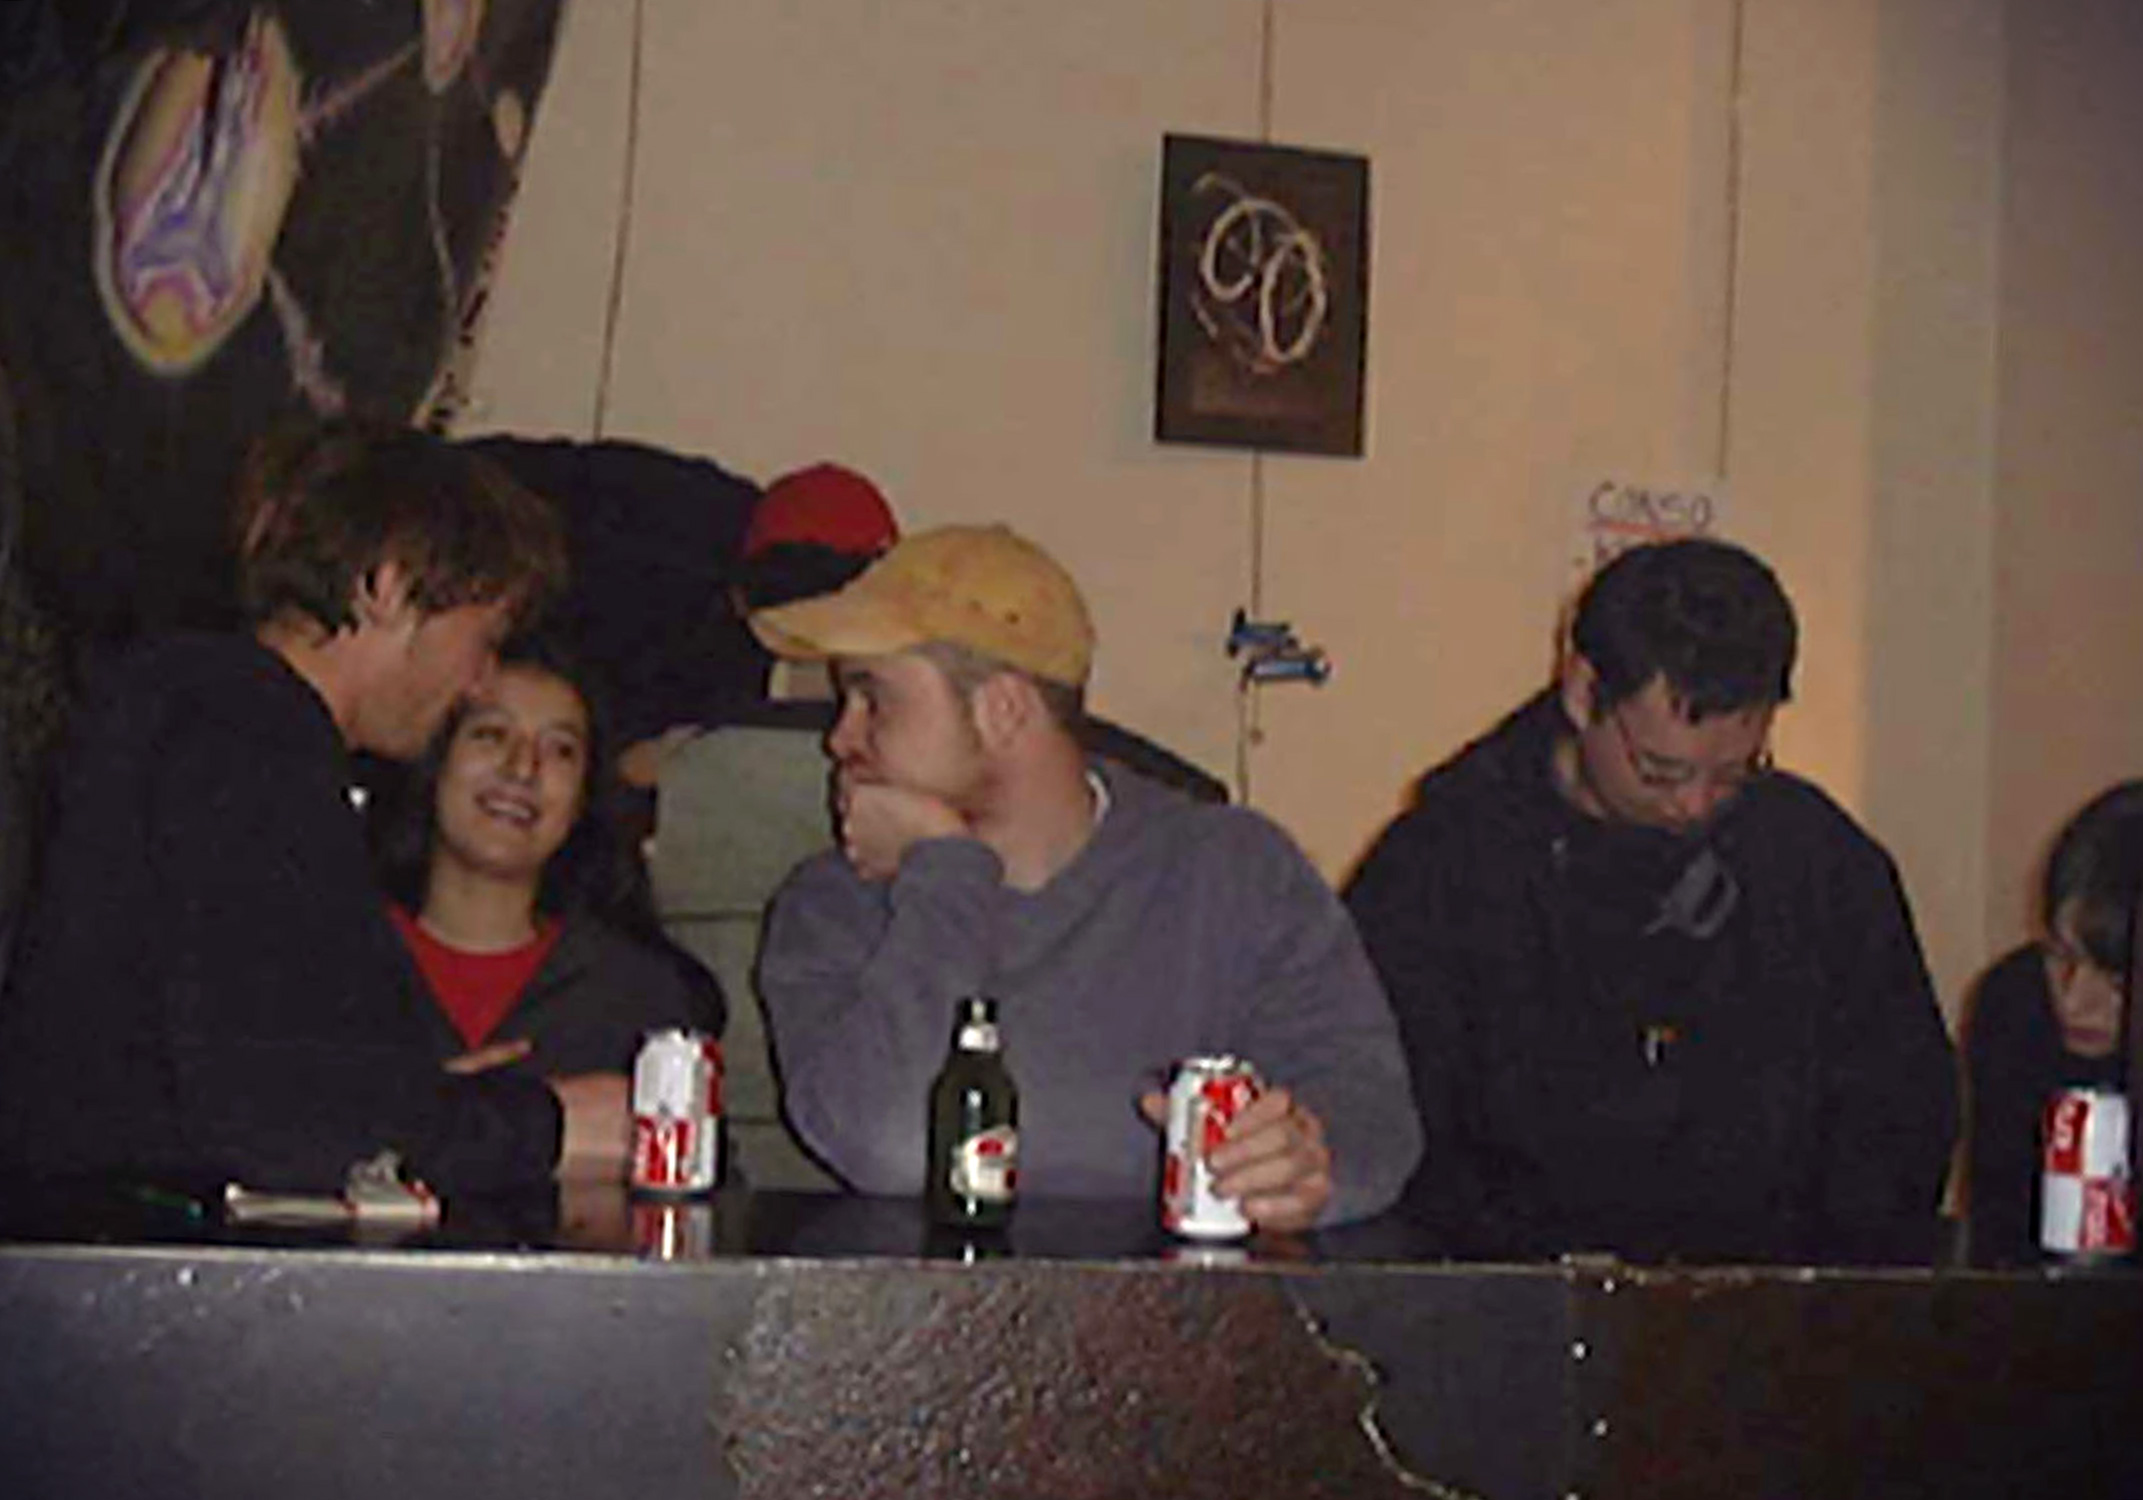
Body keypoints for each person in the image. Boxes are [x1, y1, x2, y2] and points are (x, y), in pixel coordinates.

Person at [0, 420, 629, 1195]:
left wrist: (410, 1094)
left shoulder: (195, 711)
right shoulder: (250, 741)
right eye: (483, 637)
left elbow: (231, 1063)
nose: (477, 680)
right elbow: (289, 1116)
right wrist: (549, 1126)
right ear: (388, 587)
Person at [748, 523, 1420, 1230]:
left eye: (874, 700)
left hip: (1195, 1300)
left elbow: (1374, 1118)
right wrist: (946, 870)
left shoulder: (1236, 869)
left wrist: (1308, 1162)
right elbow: (894, 1144)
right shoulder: (831, 906)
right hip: (921, 1301)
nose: (839, 739)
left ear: (1003, 711)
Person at [1346, 537, 1956, 1263]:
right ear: (1582, 691)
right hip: (1511, 1305)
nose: (1693, 806)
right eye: (1659, 771)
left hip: (1774, 1310)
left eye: (1734, 773)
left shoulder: (1819, 866)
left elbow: (1898, 1120)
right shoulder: (1440, 870)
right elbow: (1386, 1136)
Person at [369, 635, 723, 1075]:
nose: (522, 768)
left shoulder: (641, 998)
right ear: (434, 761)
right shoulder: (333, 959)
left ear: (584, 797)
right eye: (491, 735)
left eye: (560, 750)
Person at [1963, 780, 2143, 1266]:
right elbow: (2000, 1243)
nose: (2074, 1001)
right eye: (2060, 958)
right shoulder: (2016, 1007)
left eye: (2117, 980)